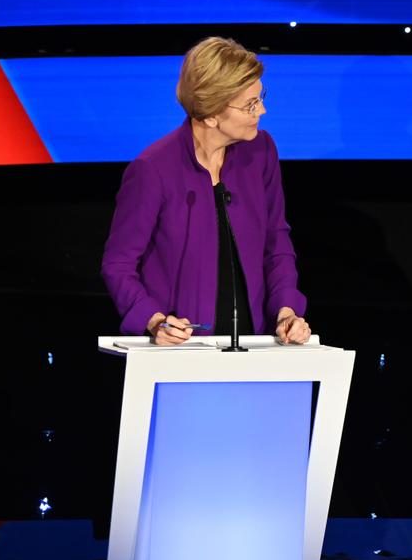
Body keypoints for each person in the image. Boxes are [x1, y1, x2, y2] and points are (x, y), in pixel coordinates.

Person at [101, 36, 311, 345]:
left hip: (255, 344)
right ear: (211, 115)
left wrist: (286, 311)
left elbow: (276, 241)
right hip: (184, 351)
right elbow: (118, 265)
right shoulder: (153, 169)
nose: (262, 110)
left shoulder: (261, 152)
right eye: (251, 104)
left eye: (261, 96)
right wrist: (155, 320)